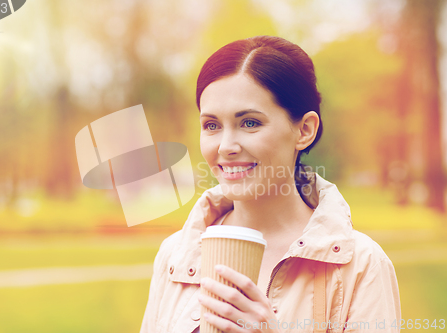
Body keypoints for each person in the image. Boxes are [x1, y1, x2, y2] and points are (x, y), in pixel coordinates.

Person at [140, 35, 401, 333]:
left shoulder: (362, 266)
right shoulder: (174, 256)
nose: (225, 146)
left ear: (304, 130)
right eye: (211, 125)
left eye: (250, 123)